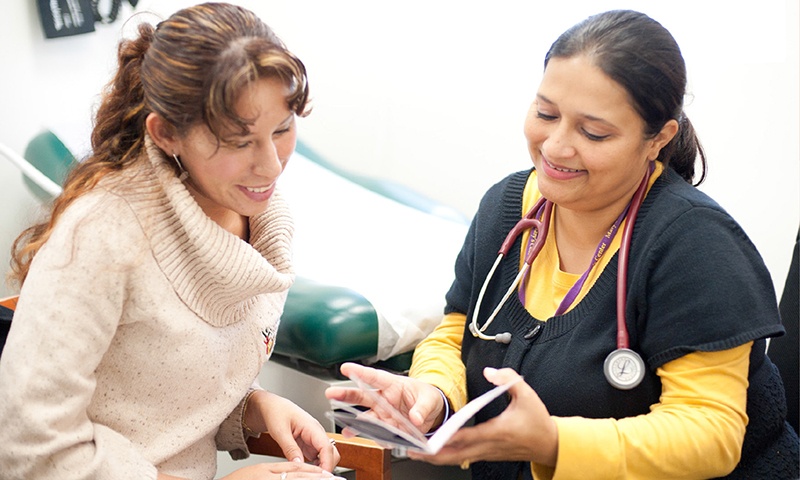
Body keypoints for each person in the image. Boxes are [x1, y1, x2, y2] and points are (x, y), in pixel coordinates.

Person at [326, 9, 800, 479]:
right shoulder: (509, 205)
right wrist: (433, 394)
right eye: (545, 113)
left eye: (592, 132)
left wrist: (553, 442)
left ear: (658, 139)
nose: (554, 147)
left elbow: (710, 434)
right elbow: (457, 332)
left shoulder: (695, 247)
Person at [0, 3, 343, 480]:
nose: (270, 166)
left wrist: (254, 408)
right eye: (238, 141)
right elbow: (28, 446)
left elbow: (160, 390)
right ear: (167, 135)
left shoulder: (263, 221)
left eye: (282, 130)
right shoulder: (104, 234)